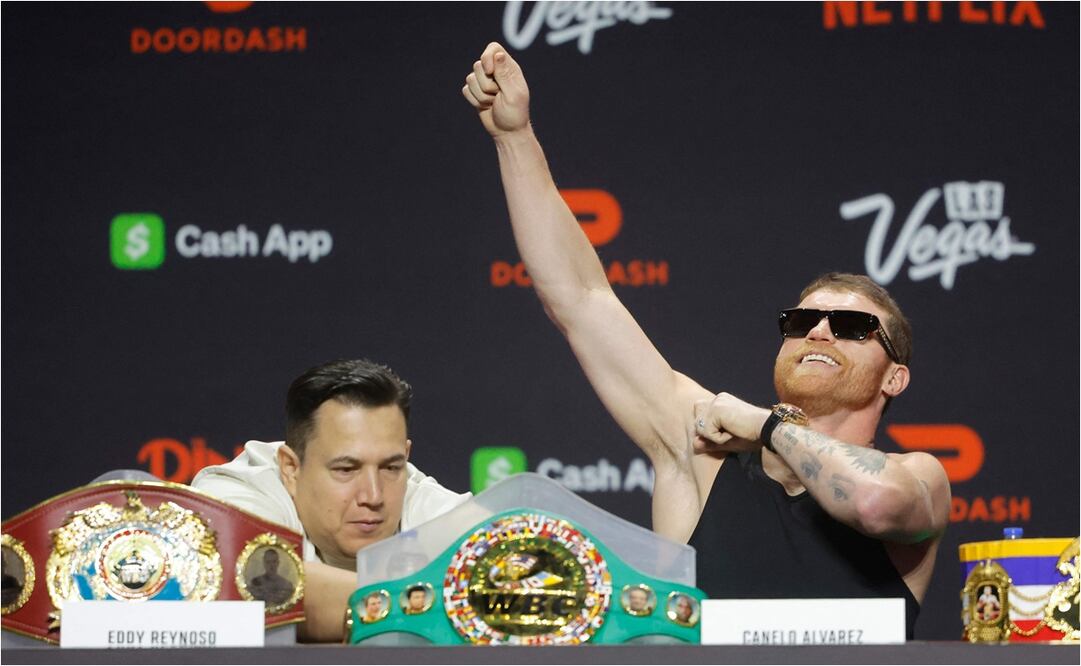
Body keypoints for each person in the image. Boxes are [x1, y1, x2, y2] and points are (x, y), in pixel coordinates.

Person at [461, 42, 950, 637]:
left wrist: (765, 425)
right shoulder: (701, 456)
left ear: (894, 375)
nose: (818, 330)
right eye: (800, 321)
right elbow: (581, 301)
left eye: (851, 327)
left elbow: (872, 505)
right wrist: (515, 138)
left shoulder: (919, 478)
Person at [192, 358, 470, 641]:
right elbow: (249, 584)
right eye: (346, 469)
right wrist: (438, 604)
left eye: (390, 467)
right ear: (291, 468)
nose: (373, 496)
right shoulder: (238, 490)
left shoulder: (427, 502)